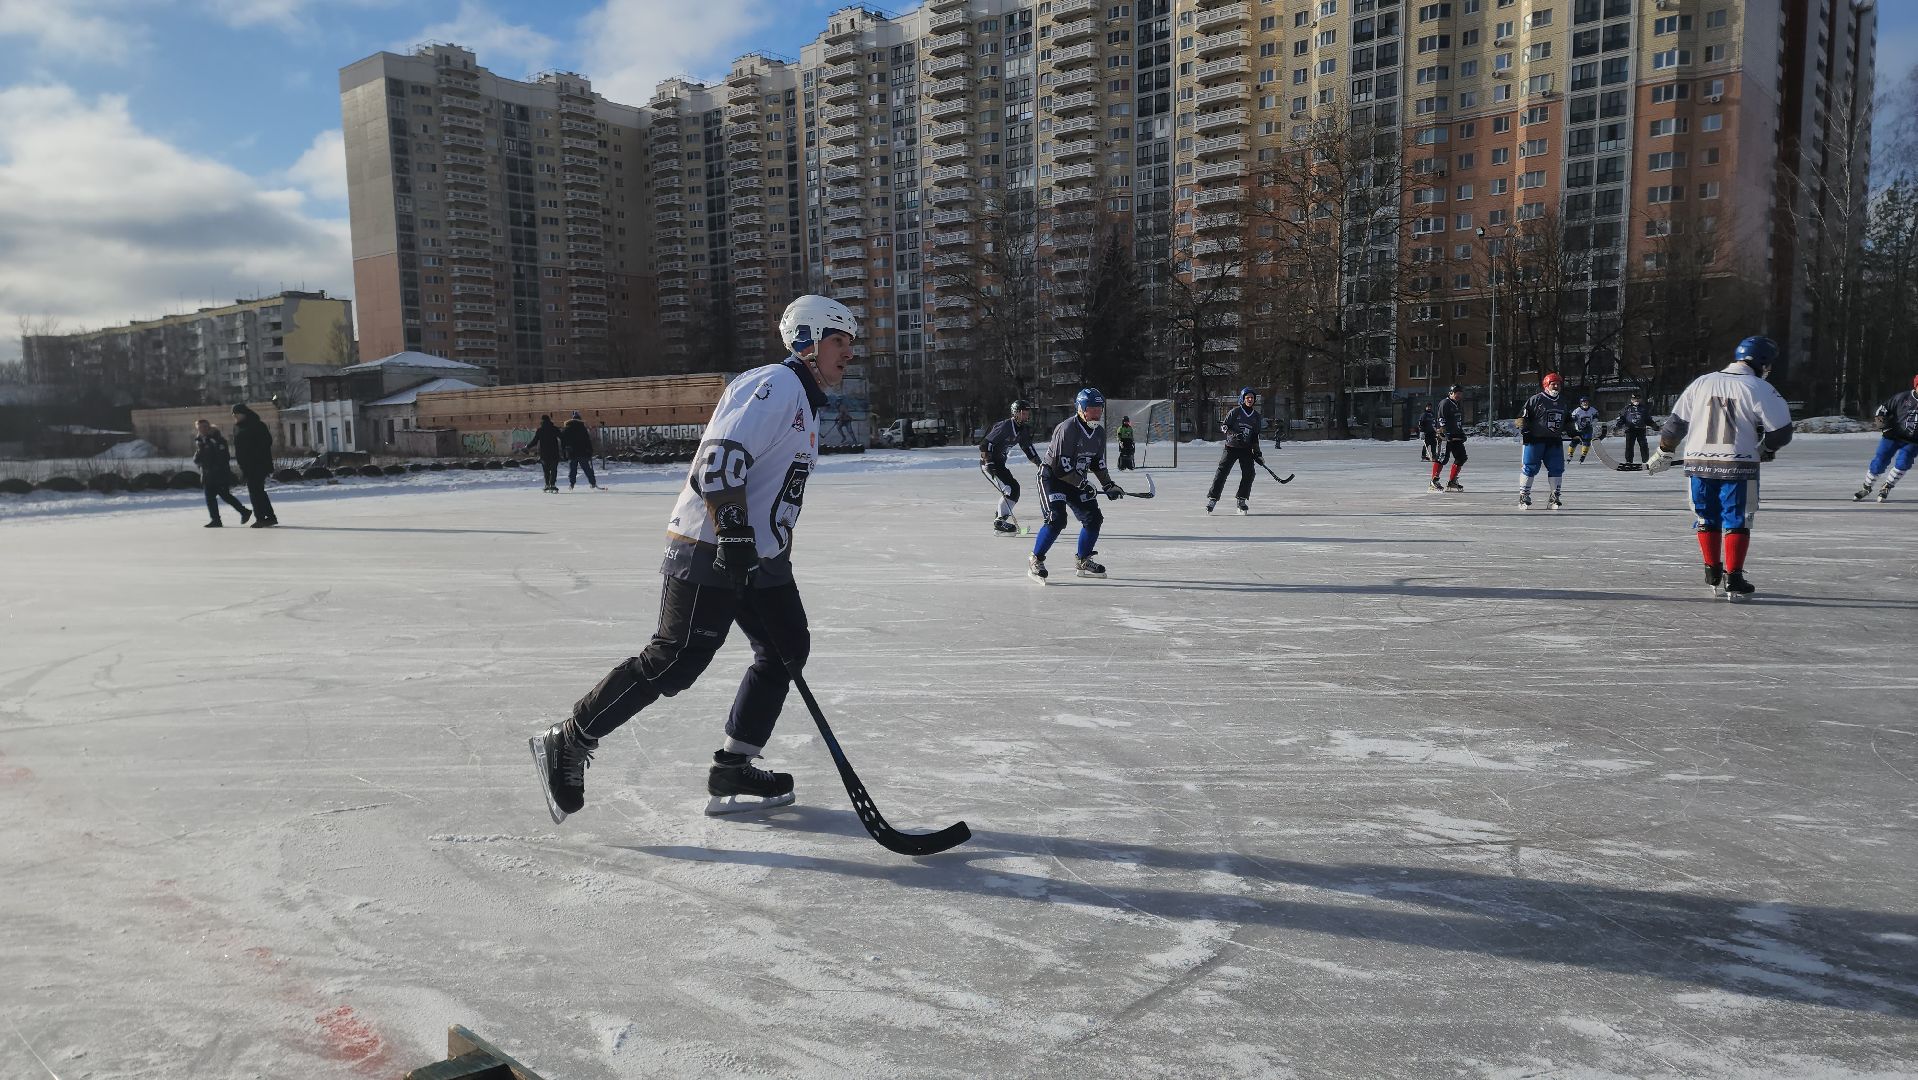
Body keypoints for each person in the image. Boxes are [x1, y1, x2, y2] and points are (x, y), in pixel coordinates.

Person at [529, 295, 860, 823]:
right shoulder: (773, 385)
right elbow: (718, 461)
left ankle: (734, 766)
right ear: (809, 342)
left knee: (785, 650)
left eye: (850, 343)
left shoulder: (806, 404)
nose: (848, 353)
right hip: (712, 544)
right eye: (840, 341)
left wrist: (769, 550)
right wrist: (732, 534)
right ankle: (571, 737)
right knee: (676, 659)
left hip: (760, 554)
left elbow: (776, 490)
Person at [1649, 336, 1794, 600]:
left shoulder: (1701, 382)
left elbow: (1675, 426)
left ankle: (1711, 571)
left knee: (1706, 516)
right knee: (1738, 518)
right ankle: (1734, 578)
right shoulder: (1759, 387)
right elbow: (1781, 432)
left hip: (1699, 463)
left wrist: (1664, 451)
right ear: (1762, 362)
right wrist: (1766, 449)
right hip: (1739, 464)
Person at [1030, 388, 1123, 582]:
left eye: (1099, 409)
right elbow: (1060, 469)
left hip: (1076, 480)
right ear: (1080, 409)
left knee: (1093, 518)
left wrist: (1108, 485)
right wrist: (1083, 483)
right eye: (1092, 409)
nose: (1096, 413)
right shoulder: (1067, 429)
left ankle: (1083, 559)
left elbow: (1098, 462)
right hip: (1052, 478)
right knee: (1057, 519)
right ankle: (1036, 559)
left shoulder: (1099, 433)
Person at [980, 399, 1042, 534]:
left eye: (1027, 413)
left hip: (1000, 464)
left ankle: (1000, 521)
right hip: (989, 464)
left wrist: (1039, 463)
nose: (1026, 416)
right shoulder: (1005, 426)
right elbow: (986, 444)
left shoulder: (1022, 429)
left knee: (1015, 489)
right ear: (1016, 413)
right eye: (1023, 413)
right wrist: (989, 462)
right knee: (1009, 489)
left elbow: (1028, 448)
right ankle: (1000, 522)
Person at [1855, 375, 1918, 502]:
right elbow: (1881, 411)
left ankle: (1887, 486)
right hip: (1892, 436)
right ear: (1916, 386)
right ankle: (1867, 487)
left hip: (1913, 441)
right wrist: (1884, 428)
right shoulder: (1902, 398)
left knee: (1903, 463)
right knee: (1880, 460)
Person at [1205, 386, 1264, 514]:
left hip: (1246, 449)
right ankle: (1213, 498)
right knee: (1222, 473)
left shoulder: (1256, 417)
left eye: (1252, 398)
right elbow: (1224, 427)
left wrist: (1258, 453)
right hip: (1231, 448)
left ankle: (1241, 499)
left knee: (1249, 474)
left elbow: (1254, 437)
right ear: (1243, 399)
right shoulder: (1235, 412)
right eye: (1247, 397)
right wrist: (1234, 434)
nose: (1250, 400)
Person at [1517, 373, 1571, 509]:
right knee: (1530, 467)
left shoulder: (1563, 401)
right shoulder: (1536, 399)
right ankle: (1524, 494)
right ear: (1546, 385)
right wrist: (1525, 430)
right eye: (1554, 384)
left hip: (1554, 441)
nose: (1557, 386)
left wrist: (1574, 432)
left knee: (1557, 468)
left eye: (1559, 384)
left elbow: (1568, 420)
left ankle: (1555, 495)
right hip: (1535, 440)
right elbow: (1522, 417)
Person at [193, 419, 250, 528]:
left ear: (209, 427)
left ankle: (244, 512)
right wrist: (199, 459)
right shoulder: (200, 441)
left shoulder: (217, 439)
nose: (202, 429)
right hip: (206, 474)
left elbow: (224, 457)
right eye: (199, 428)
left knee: (225, 496)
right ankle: (215, 520)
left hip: (219, 474)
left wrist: (215, 466)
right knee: (209, 498)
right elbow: (197, 458)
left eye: (204, 427)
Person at [230, 403, 277, 527]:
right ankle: (270, 517)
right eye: (234, 414)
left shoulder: (258, 425)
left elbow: (267, 442)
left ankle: (261, 518)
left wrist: (253, 452)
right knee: (258, 491)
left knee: (255, 491)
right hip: (246, 465)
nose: (235, 416)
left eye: (237, 413)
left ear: (244, 413)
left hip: (259, 464)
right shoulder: (237, 427)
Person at [1430, 385, 1468, 491]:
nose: (1459, 395)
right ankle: (1434, 480)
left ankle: (1452, 481)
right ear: (1451, 393)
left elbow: (1458, 421)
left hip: (1456, 435)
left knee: (1461, 457)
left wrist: (1461, 433)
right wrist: (1444, 433)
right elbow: (1441, 419)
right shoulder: (1445, 403)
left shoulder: (1458, 404)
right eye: (1457, 393)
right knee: (1442, 458)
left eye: (1460, 393)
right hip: (1445, 435)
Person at [521, 415, 564, 493]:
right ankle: (553, 484)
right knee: (554, 469)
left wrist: (527, 447)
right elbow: (562, 438)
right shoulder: (554, 429)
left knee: (546, 470)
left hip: (544, 454)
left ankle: (547, 485)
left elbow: (534, 441)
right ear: (549, 420)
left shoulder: (540, 430)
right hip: (554, 453)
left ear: (542, 421)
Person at [1611, 391, 1656, 466]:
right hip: (1630, 430)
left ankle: (1645, 461)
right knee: (1629, 446)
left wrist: (1654, 425)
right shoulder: (1627, 408)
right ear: (1631, 400)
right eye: (1635, 399)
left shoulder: (1643, 409)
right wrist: (1618, 425)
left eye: (1638, 399)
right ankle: (1629, 461)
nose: (1636, 401)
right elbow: (1622, 418)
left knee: (1643, 445)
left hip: (1640, 430)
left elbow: (1648, 419)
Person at [560, 411, 599, 490]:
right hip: (582, 451)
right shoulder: (582, 428)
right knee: (587, 468)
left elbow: (563, 440)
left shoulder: (567, 428)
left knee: (573, 469)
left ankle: (571, 484)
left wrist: (564, 450)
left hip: (572, 452)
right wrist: (590, 450)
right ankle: (593, 483)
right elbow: (587, 440)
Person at [1570, 395, 1599, 463]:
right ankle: (1570, 454)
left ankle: (1583, 455)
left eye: (1586, 402)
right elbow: (1572, 418)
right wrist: (1575, 422)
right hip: (1579, 429)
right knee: (1575, 441)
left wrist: (1594, 421)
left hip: (1588, 428)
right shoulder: (1577, 410)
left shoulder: (1592, 410)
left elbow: (1596, 416)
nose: (1585, 403)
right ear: (1581, 403)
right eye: (1584, 402)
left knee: (1587, 441)